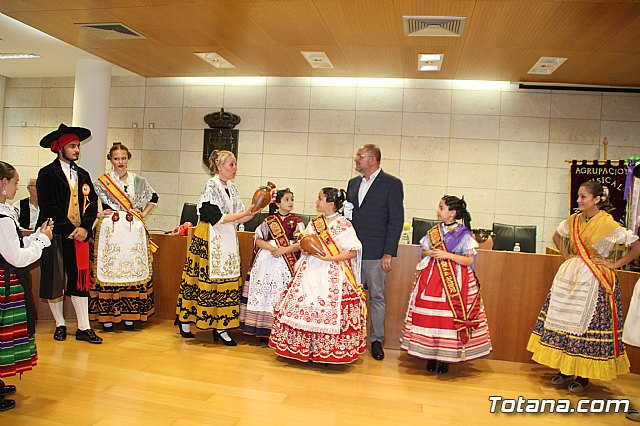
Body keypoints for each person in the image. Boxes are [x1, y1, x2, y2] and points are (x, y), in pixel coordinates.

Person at [527, 181, 640, 392]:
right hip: (570, 277)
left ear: (597, 200)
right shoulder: (574, 221)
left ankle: (583, 375)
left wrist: (614, 265)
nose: (578, 201)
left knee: (587, 327)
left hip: (594, 280)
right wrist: (567, 255)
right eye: (579, 196)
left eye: (583, 197)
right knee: (565, 320)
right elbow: (557, 236)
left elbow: (636, 246)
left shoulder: (609, 225)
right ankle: (565, 370)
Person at [269, 187, 367, 364]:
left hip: (333, 272)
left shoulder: (343, 224)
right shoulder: (314, 223)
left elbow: (352, 252)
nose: (317, 201)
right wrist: (306, 251)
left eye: (320, 198)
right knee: (304, 305)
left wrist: (330, 258)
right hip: (310, 269)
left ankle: (325, 353)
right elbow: (304, 243)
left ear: (330, 203)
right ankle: (306, 351)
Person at [400, 195, 492, 373]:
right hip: (431, 278)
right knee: (431, 318)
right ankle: (430, 354)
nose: (438, 210)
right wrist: (431, 254)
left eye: (441, 207)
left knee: (448, 320)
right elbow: (423, 253)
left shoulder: (464, 234)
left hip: (456, 281)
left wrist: (447, 255)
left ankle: (445, 358)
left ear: (452, 213)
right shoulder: (434, 232)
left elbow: (469, 260)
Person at [175, 150, 257, 345]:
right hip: (209, 238)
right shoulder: (210, 186)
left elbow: (241, 216)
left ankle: (221, 325)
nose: (235, 168)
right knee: (201, 281)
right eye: (231, 164)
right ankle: (186, 321)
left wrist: (255, 209)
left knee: (225, 282)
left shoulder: (232, 188)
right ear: (220, 167)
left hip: (227, 239)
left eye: (236, 164)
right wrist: (243, 213)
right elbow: (215, 217)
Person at [36, 123, 102, 344]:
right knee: (55, 279)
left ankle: (84, 327)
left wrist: (85, 228)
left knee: (79, 280)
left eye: (78, 146)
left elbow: (92, 204)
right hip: (55, 235)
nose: (77, 150)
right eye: (72, 146)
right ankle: (60, 324)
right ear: (60, 148)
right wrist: (71, 229)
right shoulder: (46, 174)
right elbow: (49, 207)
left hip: (80, 237)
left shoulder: (83, 174)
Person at [0, 161, 53, 412]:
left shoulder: (5, 214)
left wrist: (35, 237)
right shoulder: (2, 218)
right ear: (3, 183)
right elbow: (17, 258)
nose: (17, 185)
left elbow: (13, 246)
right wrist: (42, 241)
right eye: (15, 181)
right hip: (4, 283)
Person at [90, 142, 159, 332]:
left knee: (132, 271)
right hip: (110, 231)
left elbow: (154, 198)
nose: (120, 162)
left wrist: (143, 214)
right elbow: (85, 204)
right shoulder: (102, 182)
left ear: (128, 159)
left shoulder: (139, 181)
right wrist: (97, 215)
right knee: (109, 271)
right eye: (116, 158)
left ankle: (130, 316)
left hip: (132, 230)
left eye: (123, 158)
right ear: (110, 160)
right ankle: (107, 317)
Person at [346, 144, 404, 361]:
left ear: (372, 159)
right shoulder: (353, 183)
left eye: (359, 156)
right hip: (352, 252)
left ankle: (376, 340)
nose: (356, 160)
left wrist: (389, 252)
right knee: (351, 296)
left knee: (376, 296)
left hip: (376, 253)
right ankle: (352, 338)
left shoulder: (392, 184)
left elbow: (396, 220)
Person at [240, 188, 303, 341]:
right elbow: (259, 239)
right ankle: (263, 329)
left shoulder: (297, 222)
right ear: (278, 203)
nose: (290, 202)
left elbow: (302, 243)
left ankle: (280, 329)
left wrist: (285, 249)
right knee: (265, 293)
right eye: (287, 199)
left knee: (281, 292)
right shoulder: (268, 221)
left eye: (292, 199)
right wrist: (272, 248)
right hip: (267, 260)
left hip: (286, 261)